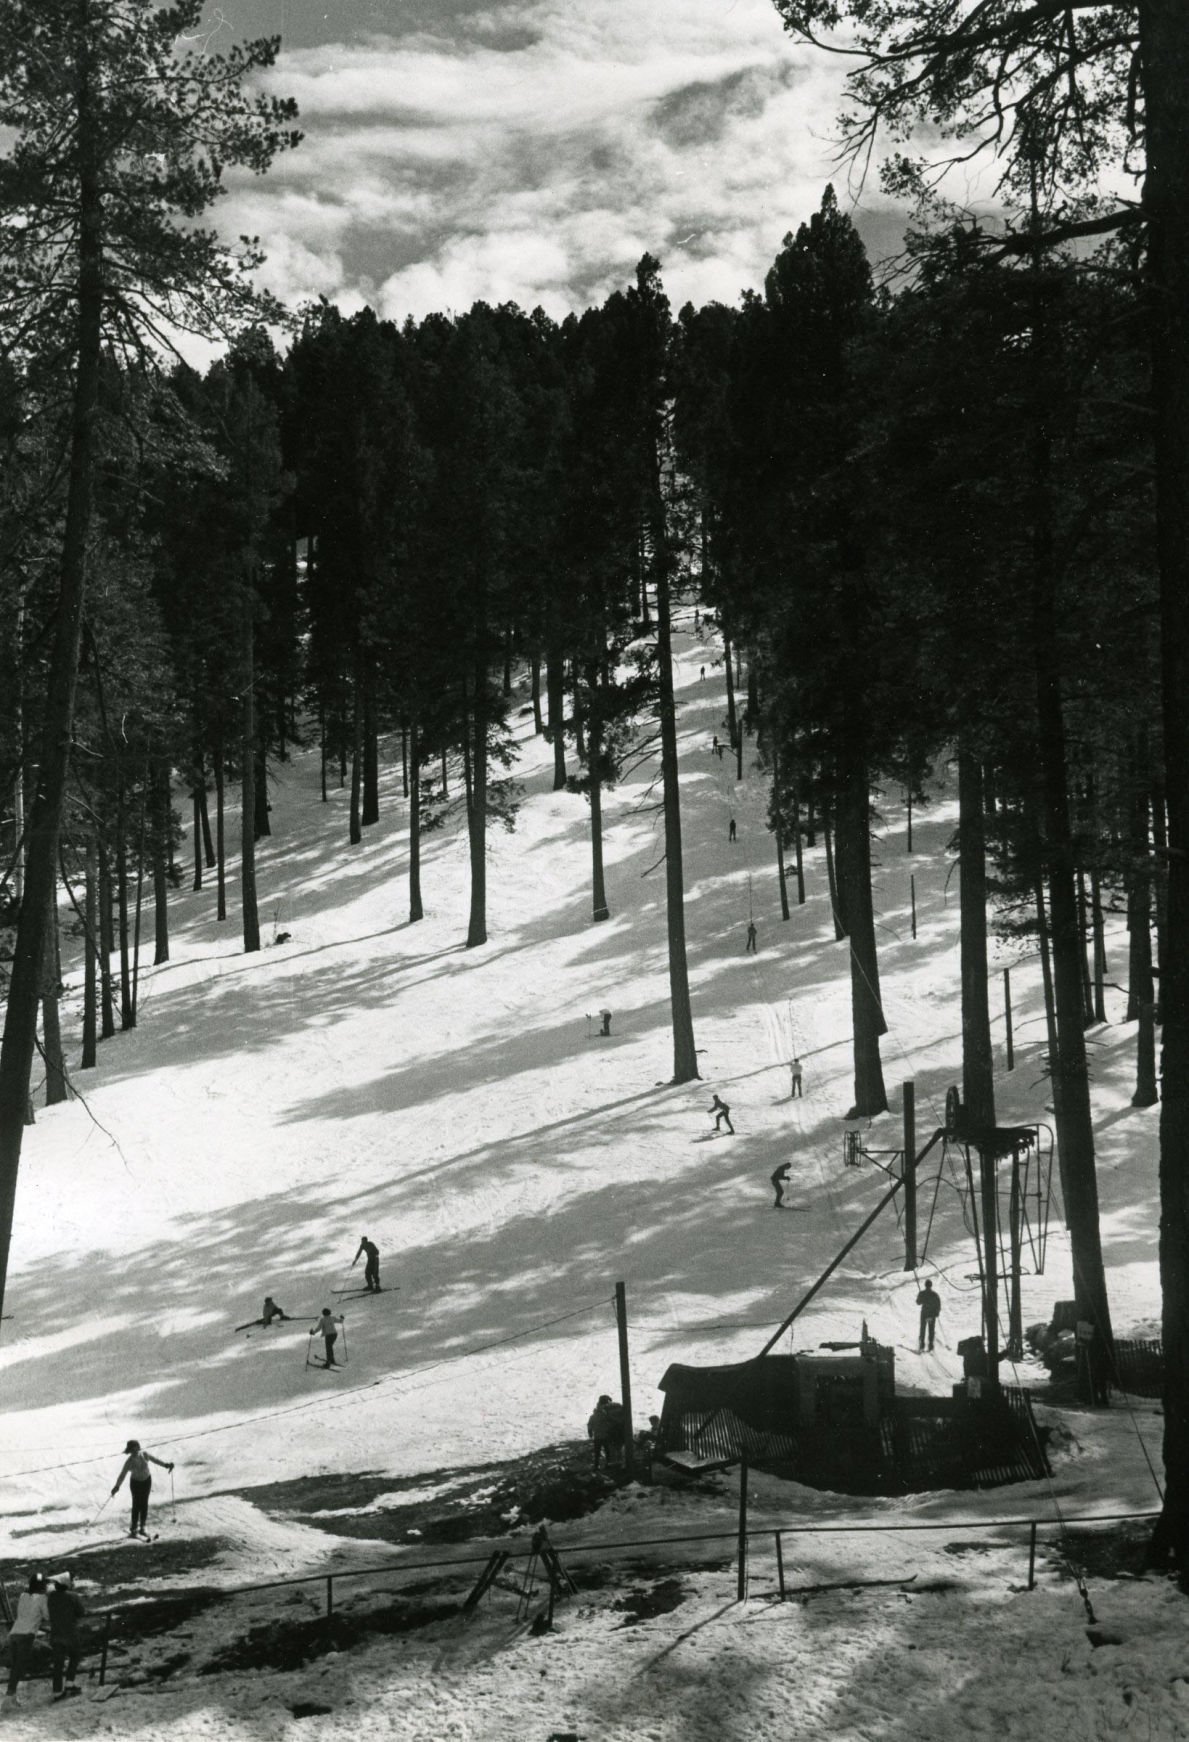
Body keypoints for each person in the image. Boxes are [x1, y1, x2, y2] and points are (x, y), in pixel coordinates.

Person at [111, 1440, 173, 1539]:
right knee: (136, 1504)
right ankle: (134, 1527)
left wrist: (166, 1465)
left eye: (136, 1448)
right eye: (132, 1449)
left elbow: (155, 1460)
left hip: (146, 1481)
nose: (134, 1450)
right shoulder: (129, 1461)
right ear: (130, 1450)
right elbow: (122, 1475)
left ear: (138, 1447)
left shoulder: (144, 1454)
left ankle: (142, 1527)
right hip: (135, 1483)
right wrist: (117, 1486)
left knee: (144, 1504)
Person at [4, 1573, 47, 1708]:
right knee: (19, 1667)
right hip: (26, 1635)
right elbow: (47, 1615)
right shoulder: (42, 1598)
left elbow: (20, 1613)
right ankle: (8, 1699)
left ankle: (11, 1697)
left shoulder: (23, 1596)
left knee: (15, 1667)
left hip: (14, 1633)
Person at [46, 1571, 85, 1702]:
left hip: (56, 1634)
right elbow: (81, 1612)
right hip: (71, 1633)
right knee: (75, 1657)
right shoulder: (73, 1596)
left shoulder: (51, 1597)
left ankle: (57, 1691)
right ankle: (70, 1683)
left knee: (58, 1663)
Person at [587, 1394, 625, 1471]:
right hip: (614, 1432)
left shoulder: (603, 1412)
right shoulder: (616, 1407)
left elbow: (591, 1425)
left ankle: (607, 1465)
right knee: (614, 1449)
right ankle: (617, 1464)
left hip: (605, 1435)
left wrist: (590, 1433)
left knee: (607, 1451)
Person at [917, 1280, 941, 1352]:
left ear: (925, 1285)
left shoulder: (922, 1293)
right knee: (931, 1330)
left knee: (923, 1329)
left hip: (924, 1314)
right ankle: (930, 1345)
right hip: (931, 1314)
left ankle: (922, 1345)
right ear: (931, 1285)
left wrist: (921, 1297)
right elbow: (938, 1305)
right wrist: (937, 1313)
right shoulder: (935, 1294)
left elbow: (918, 1302)